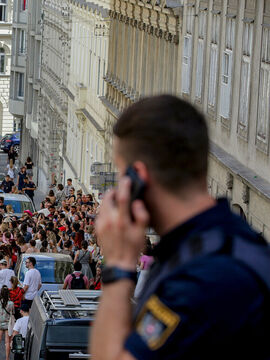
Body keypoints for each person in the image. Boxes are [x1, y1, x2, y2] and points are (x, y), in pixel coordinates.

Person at [90, 95, 270, 360]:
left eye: (120, 174)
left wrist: (118, 264)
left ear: (138, 177)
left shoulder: (201, 277)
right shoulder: (234, 242)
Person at [0, 286, 14, 360]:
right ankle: (7, 358)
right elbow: (12, 313)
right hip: (8, 324)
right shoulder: (11, 303)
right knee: (7, 342)